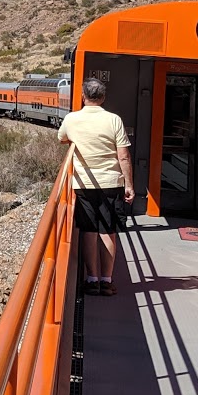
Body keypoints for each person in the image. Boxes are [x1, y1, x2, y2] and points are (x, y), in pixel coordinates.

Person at [57, 78, 135, 295]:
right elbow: (124, 156)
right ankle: (107, 280)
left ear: (83, 96)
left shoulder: (72, 119)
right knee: (108, 232)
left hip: (83, 184)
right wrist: (129, 184)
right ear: (103, 97)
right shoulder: (114, 120)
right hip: (111, 183)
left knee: (90, 231)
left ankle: (92, 280)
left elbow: (61, 138)